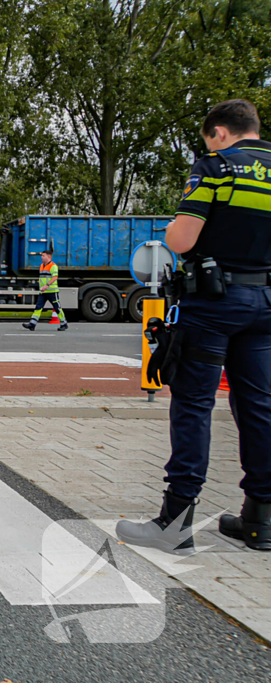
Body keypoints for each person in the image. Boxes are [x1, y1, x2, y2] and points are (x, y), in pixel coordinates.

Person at [117, 99, 271, 554]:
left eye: (209, 140)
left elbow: (182, 239)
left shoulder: (216, 167)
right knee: (259, 407)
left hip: (215, 302)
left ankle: (175, 521)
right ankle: (260, 520)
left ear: (219, 132)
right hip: (265, 301)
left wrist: (173, 229)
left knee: (193, 405)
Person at [22, 249, 68, 331]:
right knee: (38, 307)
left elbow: (55, 277)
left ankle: (63, 323)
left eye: (43, 256)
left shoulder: (53, 266)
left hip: (52, 291)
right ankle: (32, 324)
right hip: (43, 291)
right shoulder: (41, 266)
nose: (41, 257)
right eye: (41, 256)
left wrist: (47, 285)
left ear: (49, 257)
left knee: (57, 308)